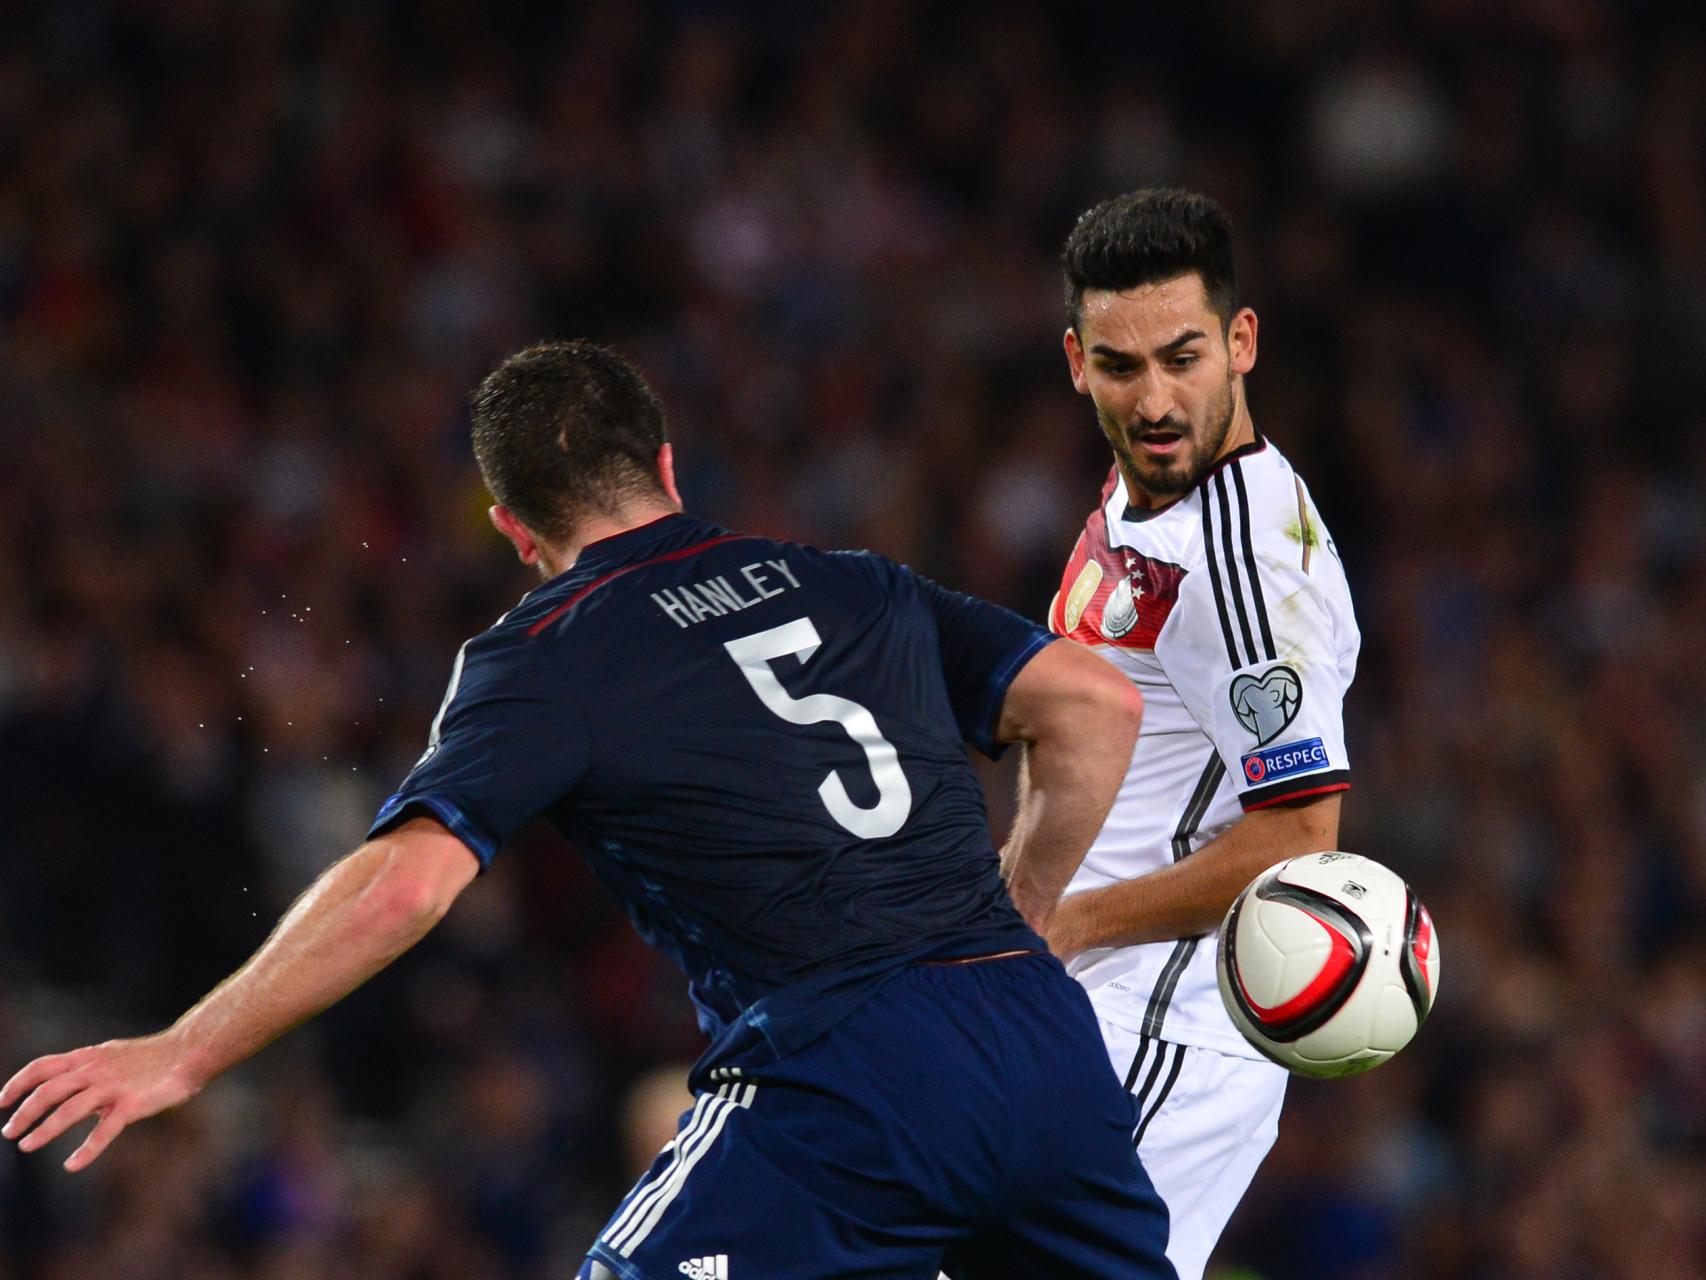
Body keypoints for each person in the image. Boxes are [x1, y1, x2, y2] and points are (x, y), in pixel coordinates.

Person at [2, 340, 1179, 1280]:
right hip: (1043, 1052)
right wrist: (1016, 914)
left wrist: (185, 1050)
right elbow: (1091, 701)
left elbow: (409, 882)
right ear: (667, 468)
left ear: (518, 533)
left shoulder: (546, 652)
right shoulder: (854, 580)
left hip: (847, 1069)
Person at [1042, 189, 1361, 1280]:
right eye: (1122, 366)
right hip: (1081, 1009)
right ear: (1077, 361)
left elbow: (1295, 839)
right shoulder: (1151, 494)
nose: (1155, 398)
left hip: (1160, 1026)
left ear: (1241, 342)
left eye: (1182, 356)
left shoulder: (1244, 567)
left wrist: (1066, 920)